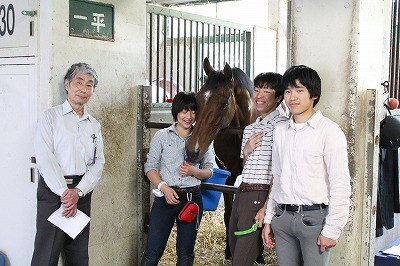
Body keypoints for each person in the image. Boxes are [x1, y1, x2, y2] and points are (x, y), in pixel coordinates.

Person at [262, 65, 351, 266]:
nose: (292, 96)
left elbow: (340, 184)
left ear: (314, 95)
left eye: (299, 90)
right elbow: (276, 177)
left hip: (314, 220)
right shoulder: (280, 131)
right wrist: (269, 218)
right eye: (287, 91)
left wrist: (332, 230)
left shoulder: (329, 131)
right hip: (283, 219)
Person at [31, 63, 105, 266]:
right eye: (78, 82)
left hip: (81, 193)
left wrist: (78, 192)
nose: (83, 89)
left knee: (79, 254)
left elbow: (98, 163)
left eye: (89, 85)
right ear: (67, 84)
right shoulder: (50, 117)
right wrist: (65, 194)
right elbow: (45, 158)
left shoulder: (94, 124)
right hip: (53, 193)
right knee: (46, 254)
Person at [141, 91, 214, 266]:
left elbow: (209, 170)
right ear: (176, 111)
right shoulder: (162, 136)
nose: (188, 116)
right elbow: (149, 167)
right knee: (152, 251)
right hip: (166, 198)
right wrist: (164, 187)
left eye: (193, 111)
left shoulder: (203, 138)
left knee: (186, 252)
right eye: (184, 111)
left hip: (191, 199)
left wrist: (193, 172)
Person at [228, 72, 288, 265]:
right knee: (234, 247)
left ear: (278, 97)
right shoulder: (249, 128)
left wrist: (266, 207)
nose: (259, 95)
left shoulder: (282, 126)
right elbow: (246, 167)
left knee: (241, 259)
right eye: (257, 89)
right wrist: (246, 151)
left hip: (259, 193)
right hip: (242, 191)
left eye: (267, 90)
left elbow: (280, 171)